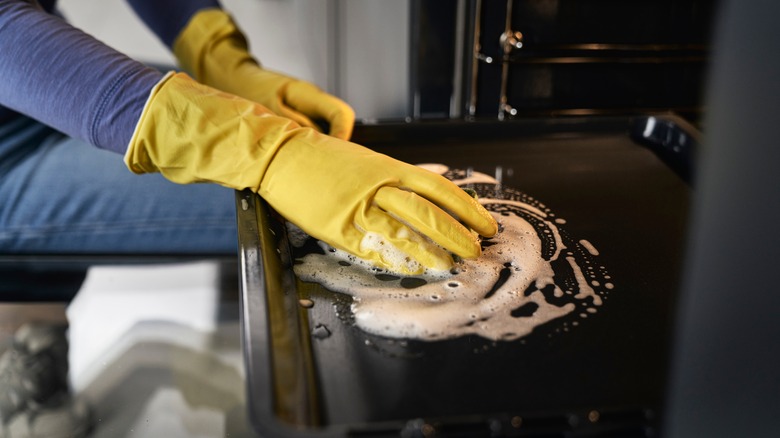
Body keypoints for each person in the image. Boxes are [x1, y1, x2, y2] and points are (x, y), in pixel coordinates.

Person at [0, 0, 498, 435]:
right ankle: (19, 336)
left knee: (327, 164)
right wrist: (263, 149)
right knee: (285, 207)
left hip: (41, 76)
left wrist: (220, 58)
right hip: (12, 128)